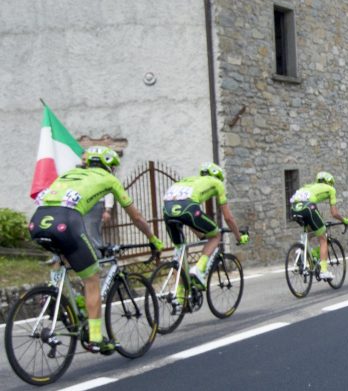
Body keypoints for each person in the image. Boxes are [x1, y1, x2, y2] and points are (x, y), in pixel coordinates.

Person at [29, 146, 163, 354]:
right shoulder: (108, 179)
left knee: (61, 255)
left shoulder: (69, 174)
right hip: (66, 220)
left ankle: (52, 292)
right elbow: (135, 217)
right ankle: (95, 337)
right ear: (108, 165)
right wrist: (153, 238)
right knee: (92, 278)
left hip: (38, 221)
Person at [163, 163, 248, 290]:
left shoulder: (190, 181)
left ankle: (179, 297)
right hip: (188, 209)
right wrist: (238, 237)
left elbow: (186, 217)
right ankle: (199, 270)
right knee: (216, 236)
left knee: (180, 252)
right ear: (217, 176)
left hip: (167, 211)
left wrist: (200, 234)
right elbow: (228, 218)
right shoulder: (216, 183)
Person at [290, 171, 348, 281]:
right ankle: (324, 270)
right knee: (323, 238)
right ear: (329, 182)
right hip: (308, 207)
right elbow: (334, 213)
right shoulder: (331, 189)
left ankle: (303, 251)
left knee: (309, 232)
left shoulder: (309, 186)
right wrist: (344, 220)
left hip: (294, 208)